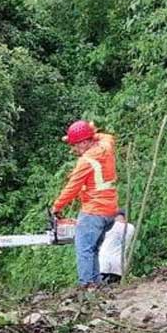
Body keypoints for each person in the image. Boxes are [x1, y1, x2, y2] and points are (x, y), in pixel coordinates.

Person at [52, 120, 119, 288]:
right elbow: (107, 136)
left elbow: (72, 187)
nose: (73, 149)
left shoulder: (87, 161)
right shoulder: (106, 146)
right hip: (110, 210)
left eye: (75, 145)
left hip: (93, 211)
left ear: (83, 142)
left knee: (84, 249)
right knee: (94, 248)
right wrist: (92, 134)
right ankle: (96, 284)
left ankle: (87, 285)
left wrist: (57, 207)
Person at [98, 208, 137, 285]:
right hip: (119, 266)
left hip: (104, 264)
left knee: (102, 287)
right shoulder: (131, 228)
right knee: (115, 287)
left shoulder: (110, 227)